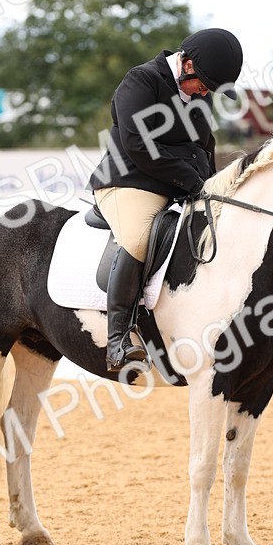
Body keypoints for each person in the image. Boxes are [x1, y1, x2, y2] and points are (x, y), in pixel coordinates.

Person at [89, 27, 244, 373]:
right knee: (139, 238)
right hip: (128, 182)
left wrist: (213, 185)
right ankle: (118, 340)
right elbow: (137, 145)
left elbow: (204, 145)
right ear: (186, 64)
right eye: (204, 83)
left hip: (179, 184)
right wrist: (191, 181)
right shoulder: (141, 81)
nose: (205, 92)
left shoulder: (198, 91)